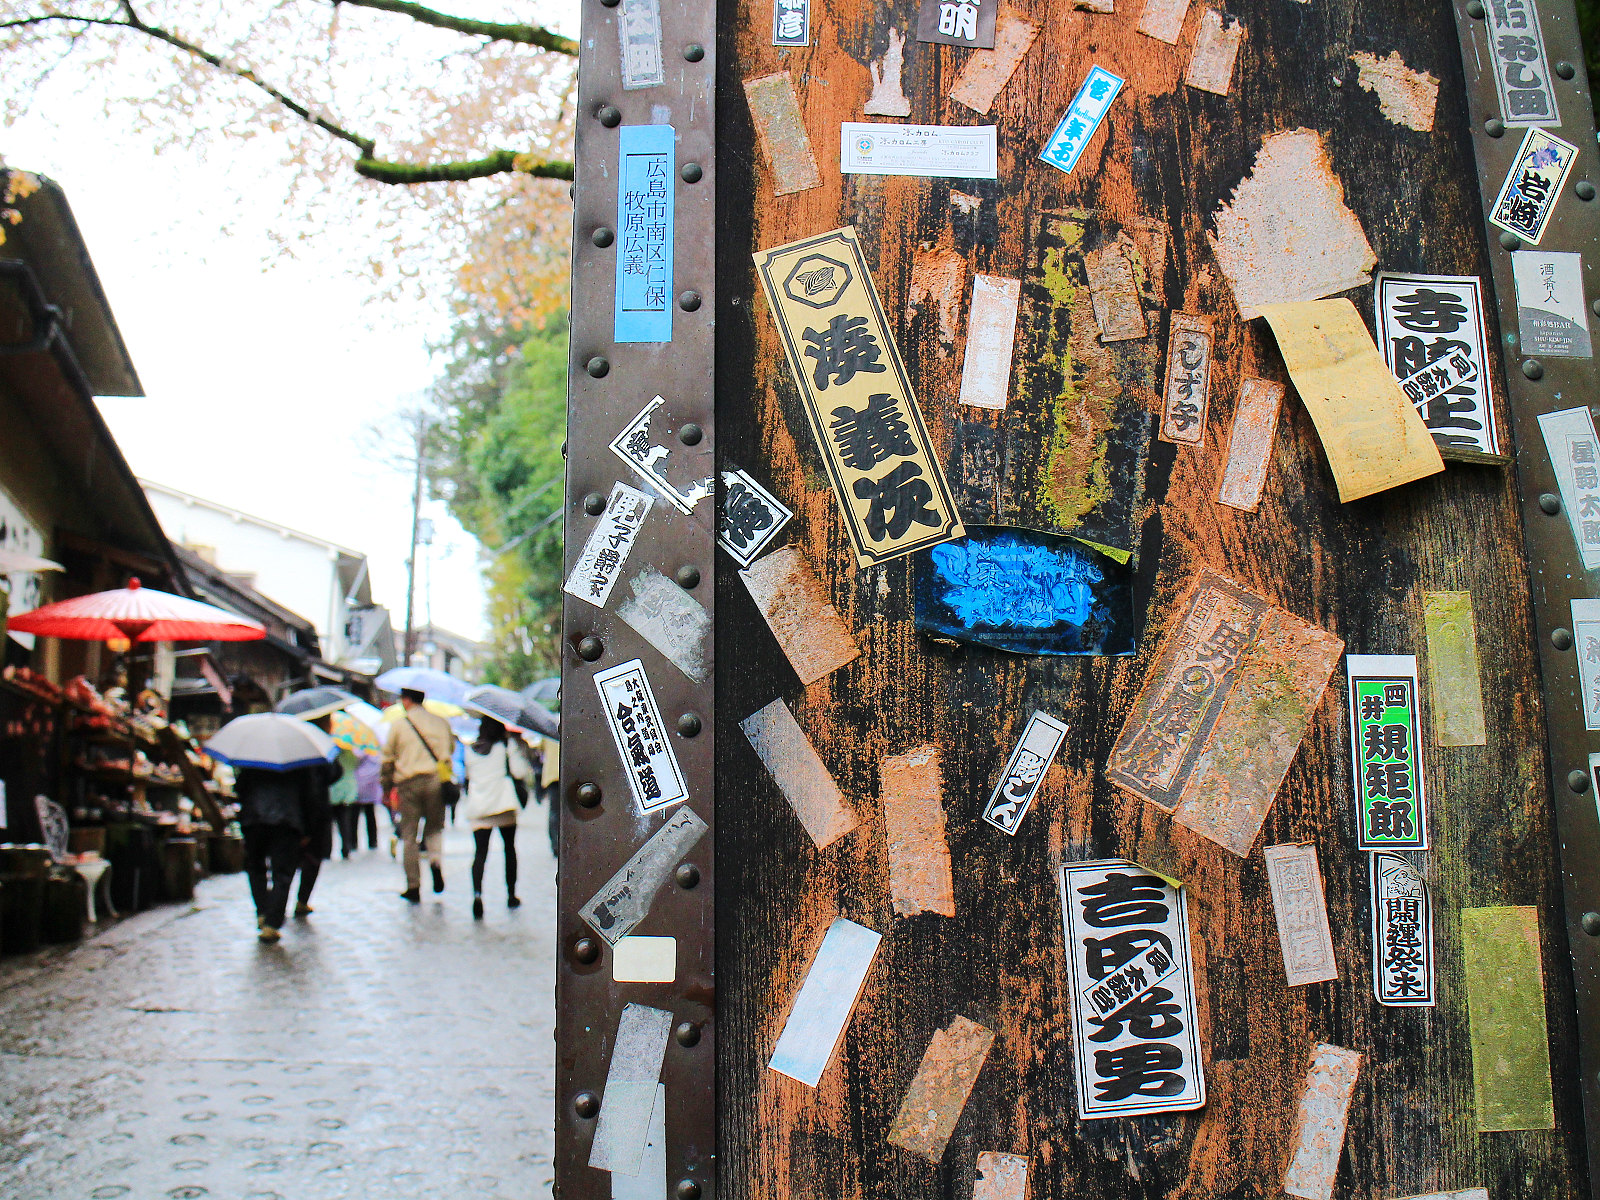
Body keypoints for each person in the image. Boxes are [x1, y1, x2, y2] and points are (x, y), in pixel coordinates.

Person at [381, 687, 455, 903]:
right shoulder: (441, 722)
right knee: (434, 828)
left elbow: (387, 759)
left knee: (409, 835)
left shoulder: (399, 725)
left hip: (408, 783)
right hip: (436, 782)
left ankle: (413, 885)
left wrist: (386, 786)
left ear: (406, 700)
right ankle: (435, 862)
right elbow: (450, 749)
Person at [461, 716, 532, 919]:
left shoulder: (470, 750)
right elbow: (519, 772)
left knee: (480, 853)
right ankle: (511, 894)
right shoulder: (506, 746)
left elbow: (467, 777)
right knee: (509, 849)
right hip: (503, 806)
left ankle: (477, 895)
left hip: (479, 808)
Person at [235, 765, 309, 943]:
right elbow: (308, 794)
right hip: (286, 821)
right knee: (282, 873)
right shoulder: (296, 763)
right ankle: (272, 923)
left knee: (255, 867)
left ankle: (262, 911)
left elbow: (240, 789)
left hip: (254, 819)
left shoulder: (253, 761)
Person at [354, 751, 383, 850]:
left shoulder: (356, 750)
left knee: (354, 816)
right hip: (370, 787)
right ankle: (373, 841)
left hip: (358, 787)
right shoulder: (373, 750)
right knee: (370, 814)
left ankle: (353, 842)